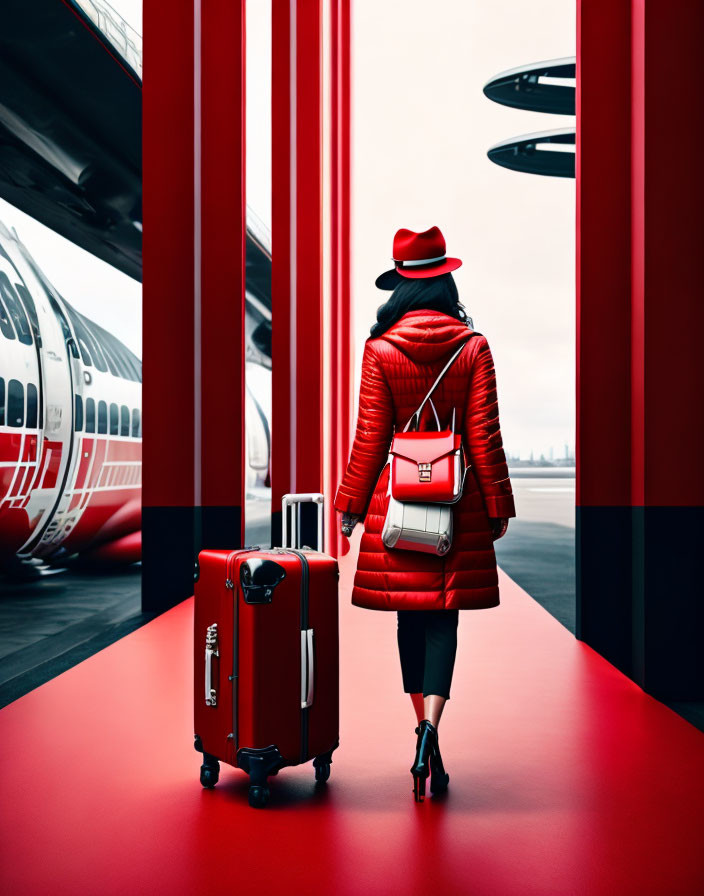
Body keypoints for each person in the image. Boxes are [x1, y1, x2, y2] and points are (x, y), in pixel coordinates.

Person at [334, 226, 516, 802]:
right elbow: (484, 434)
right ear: (446, 281)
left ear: (401, 287)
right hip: (454, 502)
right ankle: (432, 727)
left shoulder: (380, 348)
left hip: (397, 502)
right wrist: (497, 504)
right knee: (443, 619)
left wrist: (349, 507)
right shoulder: (473, 346)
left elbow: (370, 436)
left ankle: (418, 729)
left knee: (407, 617)